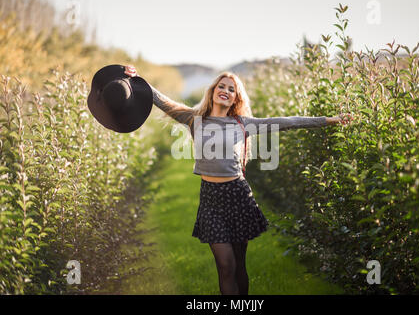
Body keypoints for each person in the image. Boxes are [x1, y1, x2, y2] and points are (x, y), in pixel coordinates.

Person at [126, 65, 353, 295]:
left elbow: (288, 121)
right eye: (221, 86)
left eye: (231, 89)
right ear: (213, 91)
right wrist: (136, 79)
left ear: (236, 98)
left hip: (238, 196)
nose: (225, 90)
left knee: (239, 266)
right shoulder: (194, 119)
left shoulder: (243, 124)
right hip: (210, 200)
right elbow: (162, 100)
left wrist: (330, 120)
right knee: (225, 265)